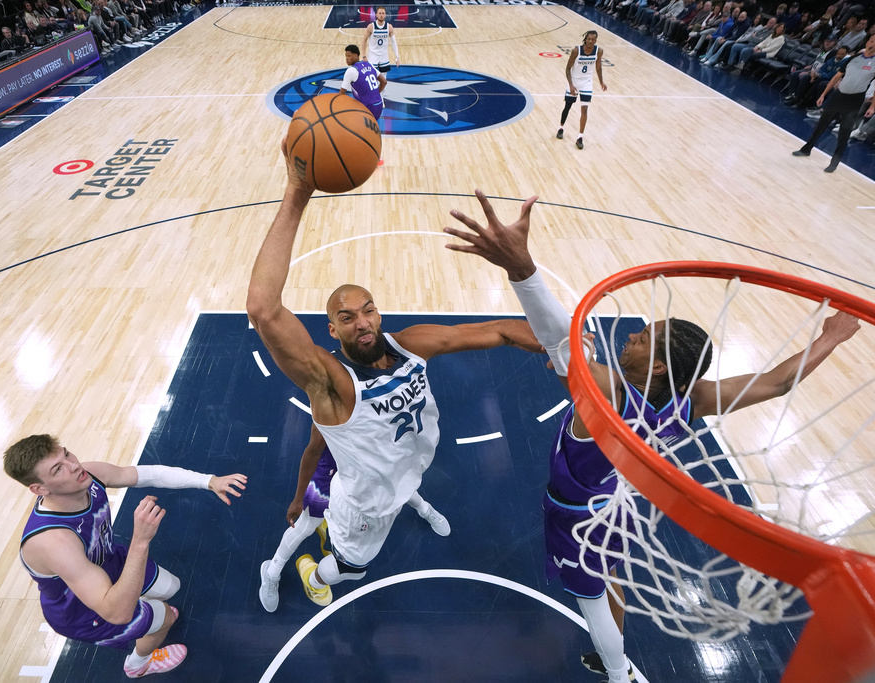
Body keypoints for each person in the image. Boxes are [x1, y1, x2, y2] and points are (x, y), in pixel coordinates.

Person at [442, 190, 861, 683]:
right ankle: (611, 656)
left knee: (591, 597)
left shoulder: (608, 394)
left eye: (642, 338)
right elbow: (776, 382)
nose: (632, 336)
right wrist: (830, 337)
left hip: (575, 514)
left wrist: (522, 269)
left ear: (658, 365)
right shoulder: (692, 398)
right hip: (617, 505)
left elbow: (555, 337)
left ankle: (618, 671)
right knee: (610, 575)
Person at [246, 143, 544, 609]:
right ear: (332, 329)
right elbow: (263, 310)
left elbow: (497, 330)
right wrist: (297, 193)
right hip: (364, 506)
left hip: (398, 466)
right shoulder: (331, 382)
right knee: (347, 567)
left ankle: (416, 503)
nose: (362, 322)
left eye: (368, 310)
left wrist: (554, 338)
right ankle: (299, 569)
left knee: (396, 468)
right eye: (347, 318)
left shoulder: (410, 343)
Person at [4, 434, 248, 678]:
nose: (74, 465)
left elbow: (150, 474)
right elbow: (116, 612)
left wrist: (209, 481)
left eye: (66, 454)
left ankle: (149, 616)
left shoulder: (87, 476)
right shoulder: (54, 542)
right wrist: (140, 541)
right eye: (58, 469)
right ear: (39, 489)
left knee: (170, 587)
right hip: (84, 611)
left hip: (107, 563)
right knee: (165, 619)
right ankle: (138, 664)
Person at [258, 426, 450, 612]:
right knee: (305, 526)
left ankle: (425, 509)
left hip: (368, 474)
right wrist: (298, 498)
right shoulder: (329, 409)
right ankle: (271, 572)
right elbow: (312, 452)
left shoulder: (376, 405)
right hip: (330, 475)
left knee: (398, 487)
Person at [793, 33, 875, 172]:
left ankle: (834, 163)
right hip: (838, 96)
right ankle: (806, 149)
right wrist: (824, 94)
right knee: (821, 125)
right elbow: (837, 76)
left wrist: (873, 106)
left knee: (844, 132)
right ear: (867, 42)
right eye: (872, 40)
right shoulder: (854, 58)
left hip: (854, 100)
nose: (873, 44)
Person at [556, 30, 608, 150]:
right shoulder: (576, 50)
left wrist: (601, 81)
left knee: (584, 109)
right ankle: (561, 127)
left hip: (587, 83)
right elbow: (568, 68)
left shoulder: (599, 51)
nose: (590, 41)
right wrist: (571, 85)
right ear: (585, 39)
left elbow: (598, 67)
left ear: (596, 40)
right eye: (588, 39)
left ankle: (580, 137)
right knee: (567, 106)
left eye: (593, 39)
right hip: (574, 81)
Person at [363, 6, 399, 74]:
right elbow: (364, 40)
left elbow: (393, 42)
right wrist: (364, 56)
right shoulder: (371, 26)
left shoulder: (389, 27)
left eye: (383, 13)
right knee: (372, 76)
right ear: (376, 14)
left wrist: (397, 56)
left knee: (384, 79)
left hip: (384, 56)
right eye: (380, 13)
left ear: (385, 15)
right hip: (373, 56)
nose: (381, 15)